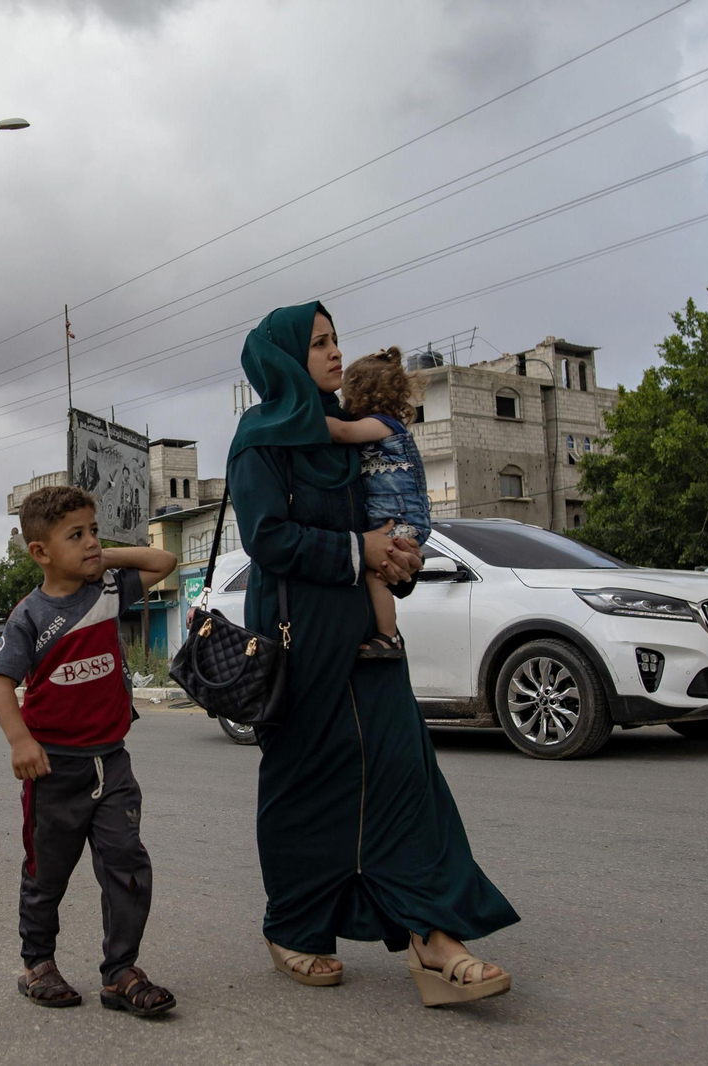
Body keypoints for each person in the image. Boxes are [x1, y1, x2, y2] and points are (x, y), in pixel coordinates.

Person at [228, 301, 519, 1006]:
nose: (333, 353)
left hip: (373, 640)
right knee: (304, 787)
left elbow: (384, 517)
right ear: (283, 357)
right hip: (301, 641)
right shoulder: (261, 439)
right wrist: (356, 549)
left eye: (336, 340)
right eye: (318, 342)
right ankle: (295, 925)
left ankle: (434, 938)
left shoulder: (353, 438)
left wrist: (400, 559)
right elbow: (267, 538)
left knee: (405, 777)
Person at [0, 486, 179, 1016]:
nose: (92, 542)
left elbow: (165, 559)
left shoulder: (111, 589)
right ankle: (38, 964)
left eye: (93, 530)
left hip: (112, 762)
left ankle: (120, 972)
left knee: (127, 867)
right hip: (54, 769)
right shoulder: (29, 616)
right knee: (46, 873)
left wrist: (99, 557)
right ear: (40, 553)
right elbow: (1, 683)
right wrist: (20, 740)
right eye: (76, 535)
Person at [324, 345, 430, 660]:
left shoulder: (383, 426)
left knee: (376, 574)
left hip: (402, 520)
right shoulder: (380, 428)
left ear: (362, 395)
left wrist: (302, 413)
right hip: (393, 518)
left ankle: (388, 635)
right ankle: (386, 633)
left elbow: (341, 432)